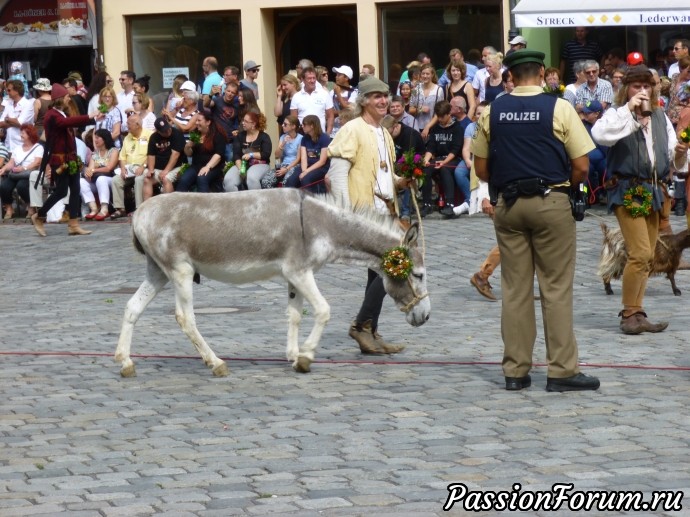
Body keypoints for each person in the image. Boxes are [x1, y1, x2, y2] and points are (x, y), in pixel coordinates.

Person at [471, 49, 600, 392]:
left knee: (514, 289)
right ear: (542, 73)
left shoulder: (493, 110)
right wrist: (565, 188)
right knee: (555, 288)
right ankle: (561, 371)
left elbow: (481, 168)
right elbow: (583, 165)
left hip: (509, 205)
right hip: (551, 200)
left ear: (509, 76)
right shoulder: (559, 107)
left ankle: (515, 370)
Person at [591, 64, 688, 335]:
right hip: (627, 190)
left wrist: (680, 152)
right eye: (636, 86)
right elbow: (599, 135)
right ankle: (629, 313)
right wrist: (629, 111)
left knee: (647, 256)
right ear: (626, 89)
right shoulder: (616, 114)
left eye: (647, 86)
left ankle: (637, 311)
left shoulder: (660, 117)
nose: (642, 91)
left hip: (654, 190)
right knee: (640, 252)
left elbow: (674, 160)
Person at [326, 75, 413, 355]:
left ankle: (370, 331)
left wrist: (403, 181)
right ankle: (361, 326)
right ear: (364, 101)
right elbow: (336, 173)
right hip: (362, 213)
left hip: (385, 210)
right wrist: (344, 213)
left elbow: (385, 173)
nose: (383, 101)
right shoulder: (352, 129)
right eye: (376, 96)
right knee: (390, 266)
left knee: (376, 272)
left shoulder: (383, 132)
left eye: (386, 96)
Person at [31, 83, 103, 237]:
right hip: (59, 160)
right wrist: (90, 115)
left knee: (76, 189)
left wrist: (94, 118)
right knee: (62, 191)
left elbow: (71, 122)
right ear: (59, 98)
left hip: (70, 158)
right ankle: (39, 216)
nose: (68, 99)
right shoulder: (52, 115)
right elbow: (66, 123)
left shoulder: (61, 112)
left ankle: (73, 224)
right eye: (66, 97)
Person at [419, 100, 463, 218]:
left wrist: (444, 162)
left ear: (449, 114)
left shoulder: (457, 128)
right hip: (438, 158)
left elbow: (455, 149)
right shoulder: (436, 128)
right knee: (426, 170)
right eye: (438, 117)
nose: (440, 120)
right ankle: (426, 204)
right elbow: (431, 147)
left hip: (453, 159)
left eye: (442, 117)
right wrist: (426, 160)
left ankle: (450, 204)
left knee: (445, 169)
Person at [110, 111, 153, 219]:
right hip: (129, 169)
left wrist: (143, 166)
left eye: (129, 124)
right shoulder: (128, 137)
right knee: (115, 180)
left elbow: (151, 155)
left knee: (139, 179)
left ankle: (139, 209)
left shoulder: (149, 135)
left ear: (137, 125)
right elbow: (122, 156)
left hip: (144, 167)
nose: (126, 126)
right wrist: (123, 168)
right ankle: (120, 209)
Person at [176, 109, 226, 192]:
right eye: (196, 120)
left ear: (208, 122)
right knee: (184, 179)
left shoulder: (217, 135)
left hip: (214, 167)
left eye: (199, 120)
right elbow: (189, 154)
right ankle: (180, 203)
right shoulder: (196, 133)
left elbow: (218, 155)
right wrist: (187, 147)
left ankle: (203, 204)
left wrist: (207, 167)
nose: (196, 123)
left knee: (202, 178)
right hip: (197, 166)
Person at [0, 124, 42, 219]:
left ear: (30, 134)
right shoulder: (17, 148)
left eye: (23, 133)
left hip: (29, 174)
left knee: (21, 186)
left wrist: (24, 168)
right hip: (16, 174)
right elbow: (11, 163)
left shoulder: (38, 147)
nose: (20, 135)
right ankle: (9, 208)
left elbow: (37, 162)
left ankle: (31, 207)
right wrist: (4, 168)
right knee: (4, 186)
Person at [223, 111, 272, 192]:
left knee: (251, 178)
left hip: (261, 164)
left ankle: (256, 202)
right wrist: (240, 169)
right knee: (228, 180)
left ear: (253, 124)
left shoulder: (264, 137)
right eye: (243, 120)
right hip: (242, 164)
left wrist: (251, 155)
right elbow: (236, 155)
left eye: (246, 121)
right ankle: (238, 202)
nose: (243, 123)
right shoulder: (240, 136)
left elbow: (266, 154)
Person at [80, 128, 119, 220]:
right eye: (95, 138)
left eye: (98, 138)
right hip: (96, 180)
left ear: (104, 139)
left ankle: (104, 208)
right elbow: (90, 169)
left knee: (101, 179)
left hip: (110, 179)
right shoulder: (95, 154)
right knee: (81, 181)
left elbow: (109, 168)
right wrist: (88, 172)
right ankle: (93, 208)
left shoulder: (113, 151)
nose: (95, 140)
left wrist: (94, 170)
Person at [284, 114, 330, 193]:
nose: (302, 126)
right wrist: (304, 170)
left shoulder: (324, 138)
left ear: (311, 126)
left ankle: (310, 202)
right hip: (307, 166)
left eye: (304, 125)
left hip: (320, 167)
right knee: (290, 181)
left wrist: (306, 172)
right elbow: (304, 158)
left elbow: (322, 161)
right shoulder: (305, 138)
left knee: (306, 179)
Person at [143, 117, 186, 200]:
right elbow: (151, 155)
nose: (167, 131)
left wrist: (166, 171)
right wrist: (151, 170)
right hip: (159, 168)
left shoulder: (177, 134)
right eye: (164, 131)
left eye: (168, 128)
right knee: (147, 179)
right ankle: (146, 206)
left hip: (177, 167)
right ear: (158, 131)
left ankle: (169, 207)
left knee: (166, 179)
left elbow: (175, 155)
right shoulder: (154, 137)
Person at [290, 66, 335, 136]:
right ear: (303, 79)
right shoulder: (296, 97)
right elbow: (293, 119)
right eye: (309, 78)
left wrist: (327, 135)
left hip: (320, 135)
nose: (312, 81)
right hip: (302, 136)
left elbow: (330, 116)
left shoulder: (324, 94)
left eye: (314, 78)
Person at [0, 80, 35, 153]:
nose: (7, 92)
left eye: (9, 90)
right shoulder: (8, 104)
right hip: (8, 146)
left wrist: (7, 119)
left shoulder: (27, 104)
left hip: (23, 146)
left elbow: (20, 123)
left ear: (16, 91)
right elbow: (1, 123)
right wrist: (13, 120)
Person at [409, 63, 444, 137]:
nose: (425, 76)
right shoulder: (415, 89)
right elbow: (410, 109)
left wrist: (427, 127)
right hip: (416, 127)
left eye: (427, 74)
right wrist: (420, 109)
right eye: (423, 74)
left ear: (432, 75)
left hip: (433, 127)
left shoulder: (438, 90)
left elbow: (440, 112)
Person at [209, 81, 240, 162]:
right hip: (217, 139)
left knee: (229, 163)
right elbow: (206, 104)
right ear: (225, 90)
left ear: (236, 94)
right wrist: (210, 95)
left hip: (230, 140)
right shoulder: (217, 101)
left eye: (233, 92)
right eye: (228, 91)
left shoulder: (237, 104)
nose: (230, 94)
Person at [271, 114, 302, 186]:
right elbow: (277, 156)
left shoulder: (301, 139)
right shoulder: (283, 137)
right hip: (284, 164)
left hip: (295, 166)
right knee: (266, 181)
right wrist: (283, 144)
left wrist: (286, 169)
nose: (282, 125)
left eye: (285, 124)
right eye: (283, 123)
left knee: (286, 182)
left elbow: (298, 159)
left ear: (293, 126)